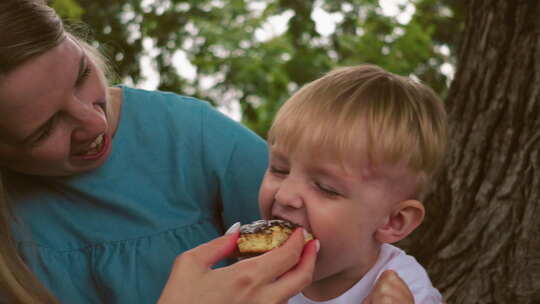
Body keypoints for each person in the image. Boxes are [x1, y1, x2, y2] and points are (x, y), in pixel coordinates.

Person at [0, 1, 414, 304]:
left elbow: (354, 246)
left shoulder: (187, 136)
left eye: (81, 76)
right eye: (45, 128)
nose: (95, 123)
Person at [257, 64, 447, 303]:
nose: (284, 195)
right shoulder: (254, 271)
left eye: (325, 187)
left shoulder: (403, 288)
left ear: (393, 221)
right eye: (279, 169)